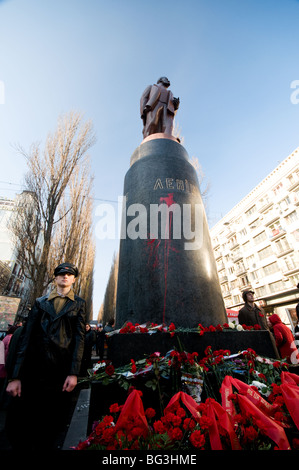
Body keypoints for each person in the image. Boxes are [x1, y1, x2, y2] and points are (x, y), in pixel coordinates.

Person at [5, 262, 86, 450]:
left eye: (69, 274)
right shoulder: (40, 302)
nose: (65, 276)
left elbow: (79, 339)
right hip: (33, 370)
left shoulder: (79, 304)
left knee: (51, 422)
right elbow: (25, 338)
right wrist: (15, 376)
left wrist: (74, 373)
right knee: (25, 421)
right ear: (55, 278)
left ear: (74, 279)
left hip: (60, 370)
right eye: (61, 273)